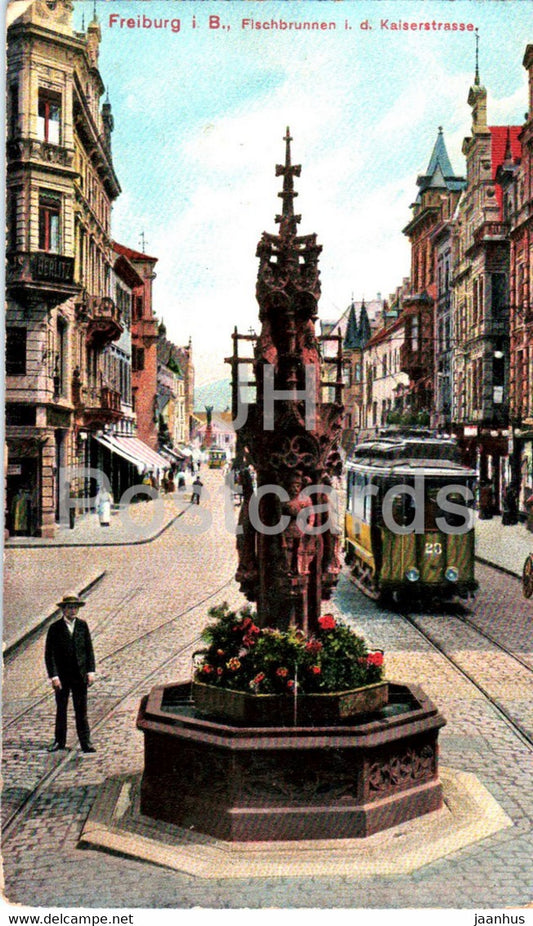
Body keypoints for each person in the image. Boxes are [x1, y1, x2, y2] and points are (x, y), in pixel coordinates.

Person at [45, 595, 96, 754]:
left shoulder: (82, 625)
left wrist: (90, 671)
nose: (73, 610)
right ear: (63, 609)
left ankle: (85, 742)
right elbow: (49, 654)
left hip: (80, 675)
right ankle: (59, 741)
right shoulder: (55, 628)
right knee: (61, 710)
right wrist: (54, 677)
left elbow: (89, 649)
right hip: (62, 677)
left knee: (81, 711)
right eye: (70, 607)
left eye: (75, 607)